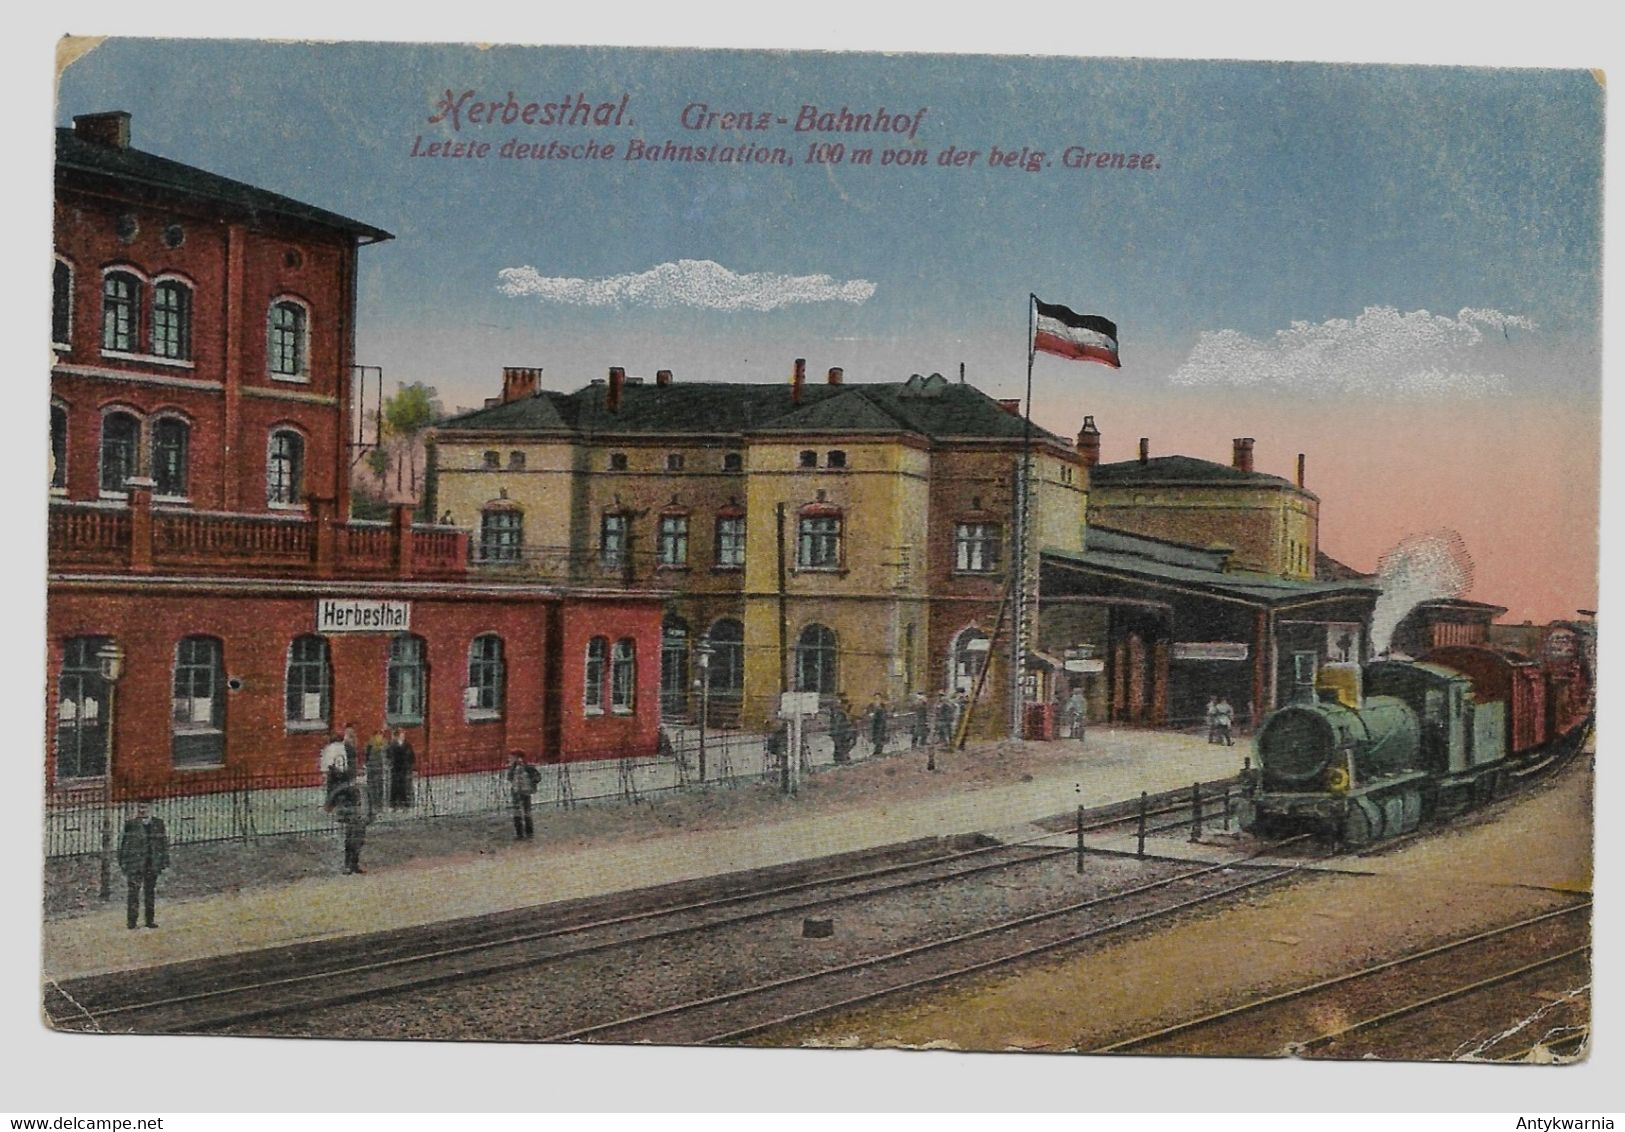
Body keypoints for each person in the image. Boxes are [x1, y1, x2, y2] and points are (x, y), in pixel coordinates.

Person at [117, 801, 169, 930]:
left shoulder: (158, 824)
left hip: (152, 865)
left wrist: (163, 862)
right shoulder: (131, 824)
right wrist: (124, 864)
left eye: (145, 807)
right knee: (133, 893)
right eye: (140, 807)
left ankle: (149, 921)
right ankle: (132, 922)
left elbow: (163, 844)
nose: (142, 810)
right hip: (135, 865)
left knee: (150, 892)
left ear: (151, 808)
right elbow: (124, 845)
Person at [330, 780, 369, 874]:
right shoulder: (348, 789)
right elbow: (337, 800)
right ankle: (347, 865)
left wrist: (368, 816)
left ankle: (354, 864)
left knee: (359, 842)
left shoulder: (365, 789)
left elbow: (368, 803)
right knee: (350, 842)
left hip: (362, 819)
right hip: (352, 819)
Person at [506, 750, 540, 840]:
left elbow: (536, 777)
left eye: (512, 757)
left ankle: (527, 833)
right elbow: (509, 777)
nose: (510, 759)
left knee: (525, 812)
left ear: (517, 757)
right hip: (518, 792)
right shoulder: (513, 767)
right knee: (519, 813)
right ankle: (521, 833)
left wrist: (531, 782)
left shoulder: (526, 766)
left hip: (524, 792)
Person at [386, 727, 415, 809]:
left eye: (403, 734)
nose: (403, 736)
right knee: (395, 786)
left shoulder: (407, 744)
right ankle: (394, 804)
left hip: (405, 768)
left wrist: (411, 764)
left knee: (405, 786)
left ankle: (405, 803)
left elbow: (411, 755)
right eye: (402, 734)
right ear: (398, 736)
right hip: (395, 768)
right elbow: (389, 756)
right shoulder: (392, 745)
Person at [319, 731, 351, 801]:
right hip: (343, 772)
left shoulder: (330, 748)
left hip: (333, 774)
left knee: (332, 792)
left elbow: (328, 762)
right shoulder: (342, 747)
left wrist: (324, 771)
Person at [364, 726, 387, 812]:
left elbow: (366, 757)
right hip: (376, 768)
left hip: (374, 768)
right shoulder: (381, 745)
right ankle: (377, 805)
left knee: (374, 787)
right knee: (377, 787)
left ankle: (375, 805)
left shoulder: (371, 745)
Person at [829, 699, 856, 765]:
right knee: (841, 747)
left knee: (841, 747)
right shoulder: (840, 714)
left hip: (842, 733)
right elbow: (837, 724)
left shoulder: (841, 713)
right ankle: (842, 760)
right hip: (841, 733)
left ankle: (841, 760)